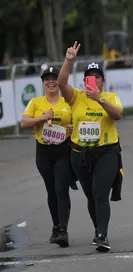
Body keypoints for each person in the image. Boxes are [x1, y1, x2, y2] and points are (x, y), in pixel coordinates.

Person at [57, 41, 124, 252]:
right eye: (89, 77)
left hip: (107, 152)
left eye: (97, 77)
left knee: (100, 193)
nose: (93, 80)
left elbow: (118, 114)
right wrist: (68, 60)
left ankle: (103, 235)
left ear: (103, 81)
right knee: (90, 195)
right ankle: (98, 230)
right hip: (80, 153)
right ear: (84, 80)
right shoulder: (75, 97)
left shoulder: (110, 97)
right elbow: (60, 83)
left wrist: (100, 99)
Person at [21, 66, 73, 248]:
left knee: (61, 189)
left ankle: (63, 232)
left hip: (63, 150)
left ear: (59, 81)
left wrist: (74, 128)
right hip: (43, 151)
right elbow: (24, 121)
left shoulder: (68, 101)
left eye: (54, 78)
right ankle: (56, 226)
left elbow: (78, 120)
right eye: (47, 79)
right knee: (51, 190)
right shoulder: (36, 102)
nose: (51, 81)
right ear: (43, 82)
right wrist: (41, 118)